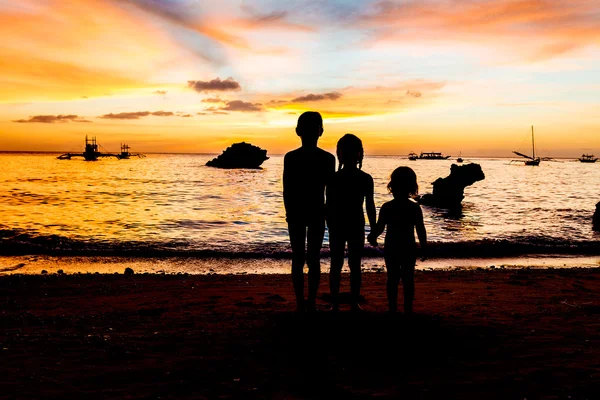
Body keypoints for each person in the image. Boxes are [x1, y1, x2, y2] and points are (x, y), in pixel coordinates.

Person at [283, 111, 336, 312]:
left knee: (299, 257)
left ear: (298, 131)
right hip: (316, 211)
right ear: (321, 131)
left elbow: (287, 188)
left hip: (298, 211)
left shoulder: (291, 157)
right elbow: (330, 192)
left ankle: (301, 302)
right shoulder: (327, 159)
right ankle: (310, 301)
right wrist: (330, 214)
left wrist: (289, 211)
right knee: (313, 258)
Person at [367, 167, 427, 314]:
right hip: (408, 246)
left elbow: (380, 227)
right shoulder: (414, 208)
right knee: (408, 278)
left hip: (392, 246)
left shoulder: (388, 207)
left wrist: (372, 236)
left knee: (392, 278)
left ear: (392, 185)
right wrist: (424, 246)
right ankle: (408, 309)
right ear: (412, 187)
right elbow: (420, 229)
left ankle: (393, 308)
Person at [327, 134, 376, 312]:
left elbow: (329, 205)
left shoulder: (334, 178)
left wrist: (374, 228)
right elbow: (369, 205)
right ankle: (349, 302)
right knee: (353, 265)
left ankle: (337, 303)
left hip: (343, 224)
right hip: (352, 224)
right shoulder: (364, 178)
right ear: (360, 154)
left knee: (339, 264)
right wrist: (374, 228)